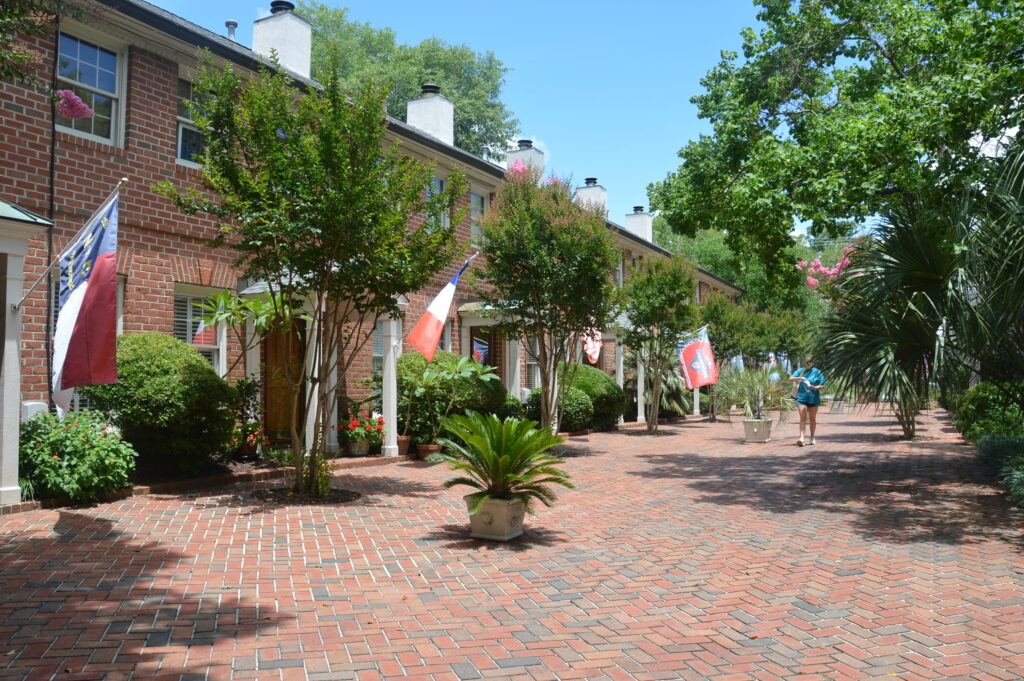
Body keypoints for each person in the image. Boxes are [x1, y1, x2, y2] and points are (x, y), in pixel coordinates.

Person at [789, 355, 826, 446]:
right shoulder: (801, 371)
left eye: (810, 361)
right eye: (806, 362)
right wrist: (800, 378)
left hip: (813, 398)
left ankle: (812, 437)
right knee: (803, 418)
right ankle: (801, 438)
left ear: (813, 362)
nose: (808, 363)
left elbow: (822, 385)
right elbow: (790, 379)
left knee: (812, 419)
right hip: (802, 398)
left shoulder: (817, 372)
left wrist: (815, 387)